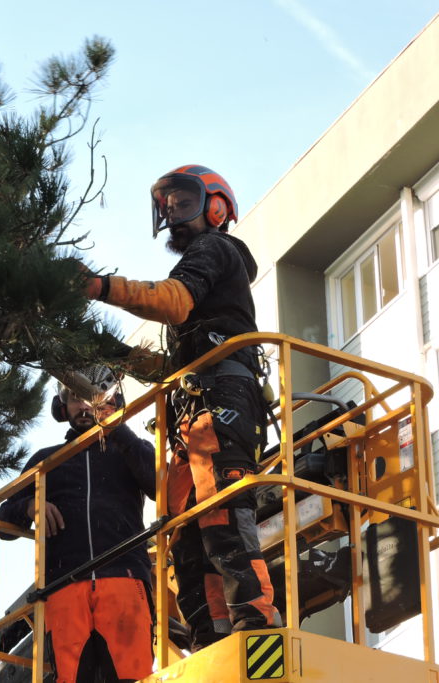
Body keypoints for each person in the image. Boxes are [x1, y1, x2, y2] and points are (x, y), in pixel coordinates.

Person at [83, 165, 280, 651]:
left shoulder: (214, 250)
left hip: (222, 401)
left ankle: (255, 628)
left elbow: (172, 301)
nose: (172, 213)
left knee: (223, 519)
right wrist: (99, 346)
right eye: (165, 206)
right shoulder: (205, 279)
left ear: (217, 208)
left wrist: (101, 288)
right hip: (192, 413)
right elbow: (168, 367)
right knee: (188, 542)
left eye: (184, 201)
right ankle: (211, 643)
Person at [0, 366, 157, 683]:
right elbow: (1, 522)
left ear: (111, 402)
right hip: (63, 587)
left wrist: (115, 426)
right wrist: (30, 505)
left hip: (124, 580)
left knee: (134, 677)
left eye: (91, 399)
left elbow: (159, 484)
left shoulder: (130, 450)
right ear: (62, 405)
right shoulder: (46, 461)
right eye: (75, 398)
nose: (84, 406)